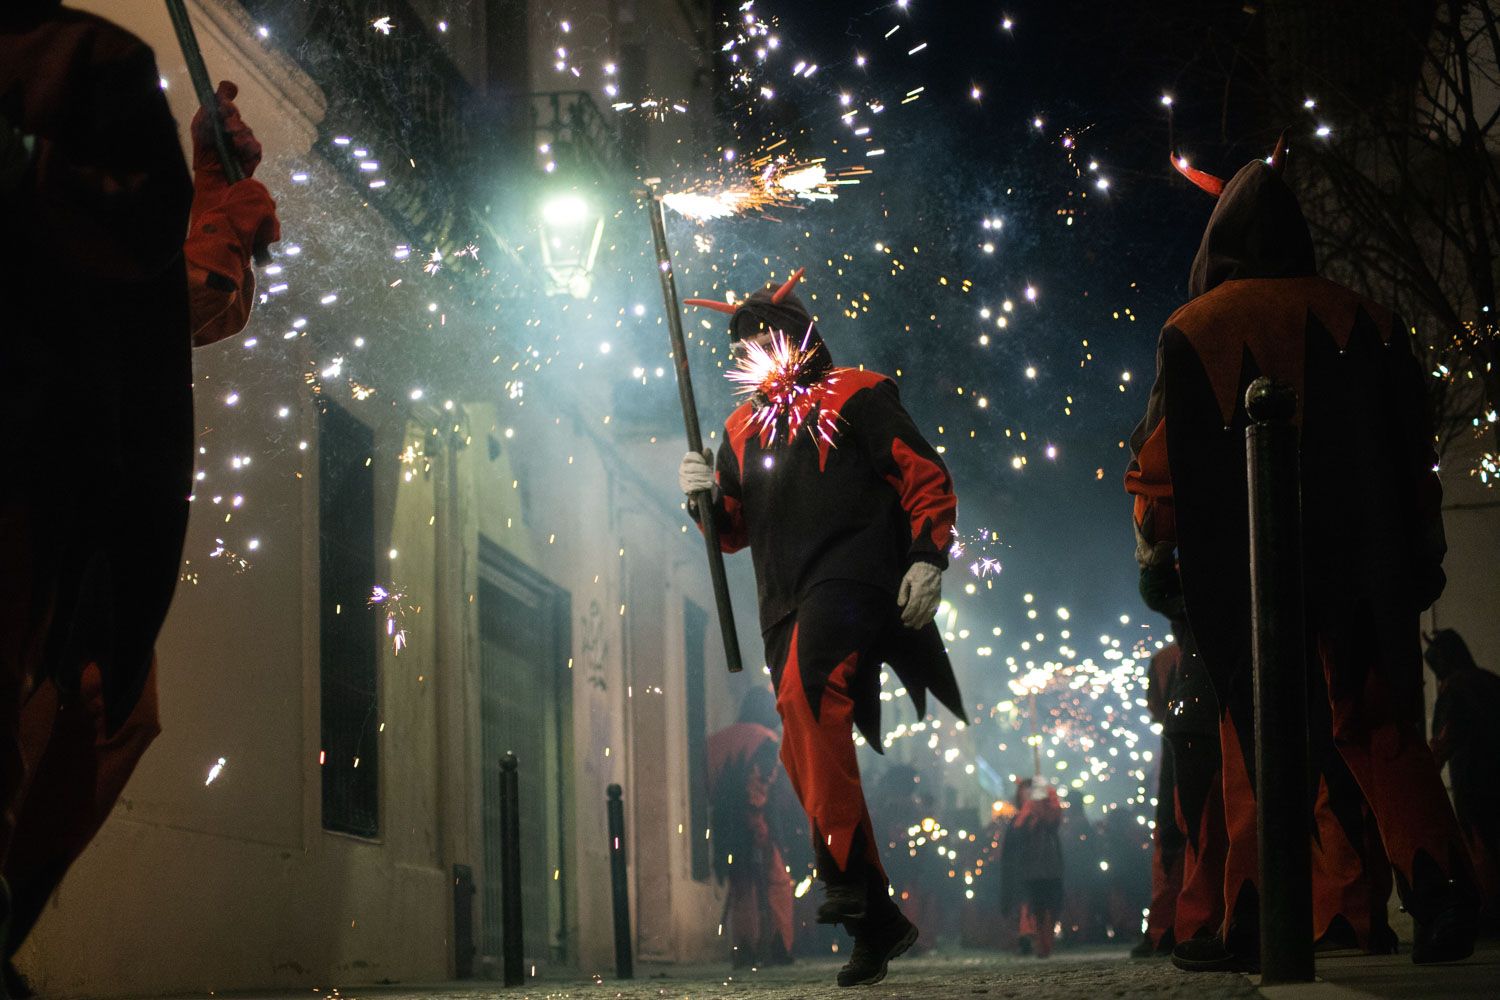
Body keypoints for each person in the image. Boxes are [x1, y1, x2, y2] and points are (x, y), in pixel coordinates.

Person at [1125, 134, 1477, 971]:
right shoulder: (1374, 318)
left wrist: (1156, 545)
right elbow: (1411, 452)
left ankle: (1255, 916)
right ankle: (1440, 894)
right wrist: (1423, 546)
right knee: (1380, 725)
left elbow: (1160, 474)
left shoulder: (1194, 328)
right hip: (1366, 559)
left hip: (1248, 570)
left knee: (1257, 740)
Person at [0, 6, 278, 994]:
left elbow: (132, 293)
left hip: (59, 488)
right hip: (31, 485)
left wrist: (205, 205)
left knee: (102, 712)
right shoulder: (69, 65)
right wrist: (205, 219)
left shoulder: (77, 65)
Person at [678, 269, 962, 986]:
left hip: (854, 576)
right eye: (744, 339)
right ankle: (876, 919)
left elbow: (923, 473)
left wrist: (929, 557)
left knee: (808, 699)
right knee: (801, 743)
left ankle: (838, 872)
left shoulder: (860, 391)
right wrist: (703, 500)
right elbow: (732, 534)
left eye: (767, 332)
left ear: (800, 336)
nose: (756, 346)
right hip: (784, 601)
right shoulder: (739, 429)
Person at [707, 687, 796, 968]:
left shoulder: (714, 741)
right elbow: (759, 784)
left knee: (741, 885)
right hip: (756, 820)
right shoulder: (766, 739)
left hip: (724, 822)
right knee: (777, 883)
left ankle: (744, 949)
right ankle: (778, 947)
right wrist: (758, 822)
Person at [1425, 629, 1500, 920]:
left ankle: (1491, 910)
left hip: (1473, 779)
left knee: (1480, 844)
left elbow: (1444, 739)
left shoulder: (1454, 687)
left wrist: (1426, 776)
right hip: (1488, 775)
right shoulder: (1489, 680)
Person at [1000, 778, 1064, 958]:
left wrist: (1042, 804)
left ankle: (1044, 944)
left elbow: (1053, 821)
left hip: (1047, 868)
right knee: (1030, 907)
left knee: (1048, 907)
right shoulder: (1019, 819)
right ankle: (1028, 939)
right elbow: (1014, 843)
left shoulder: (1047, 815)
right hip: (1026, 870)